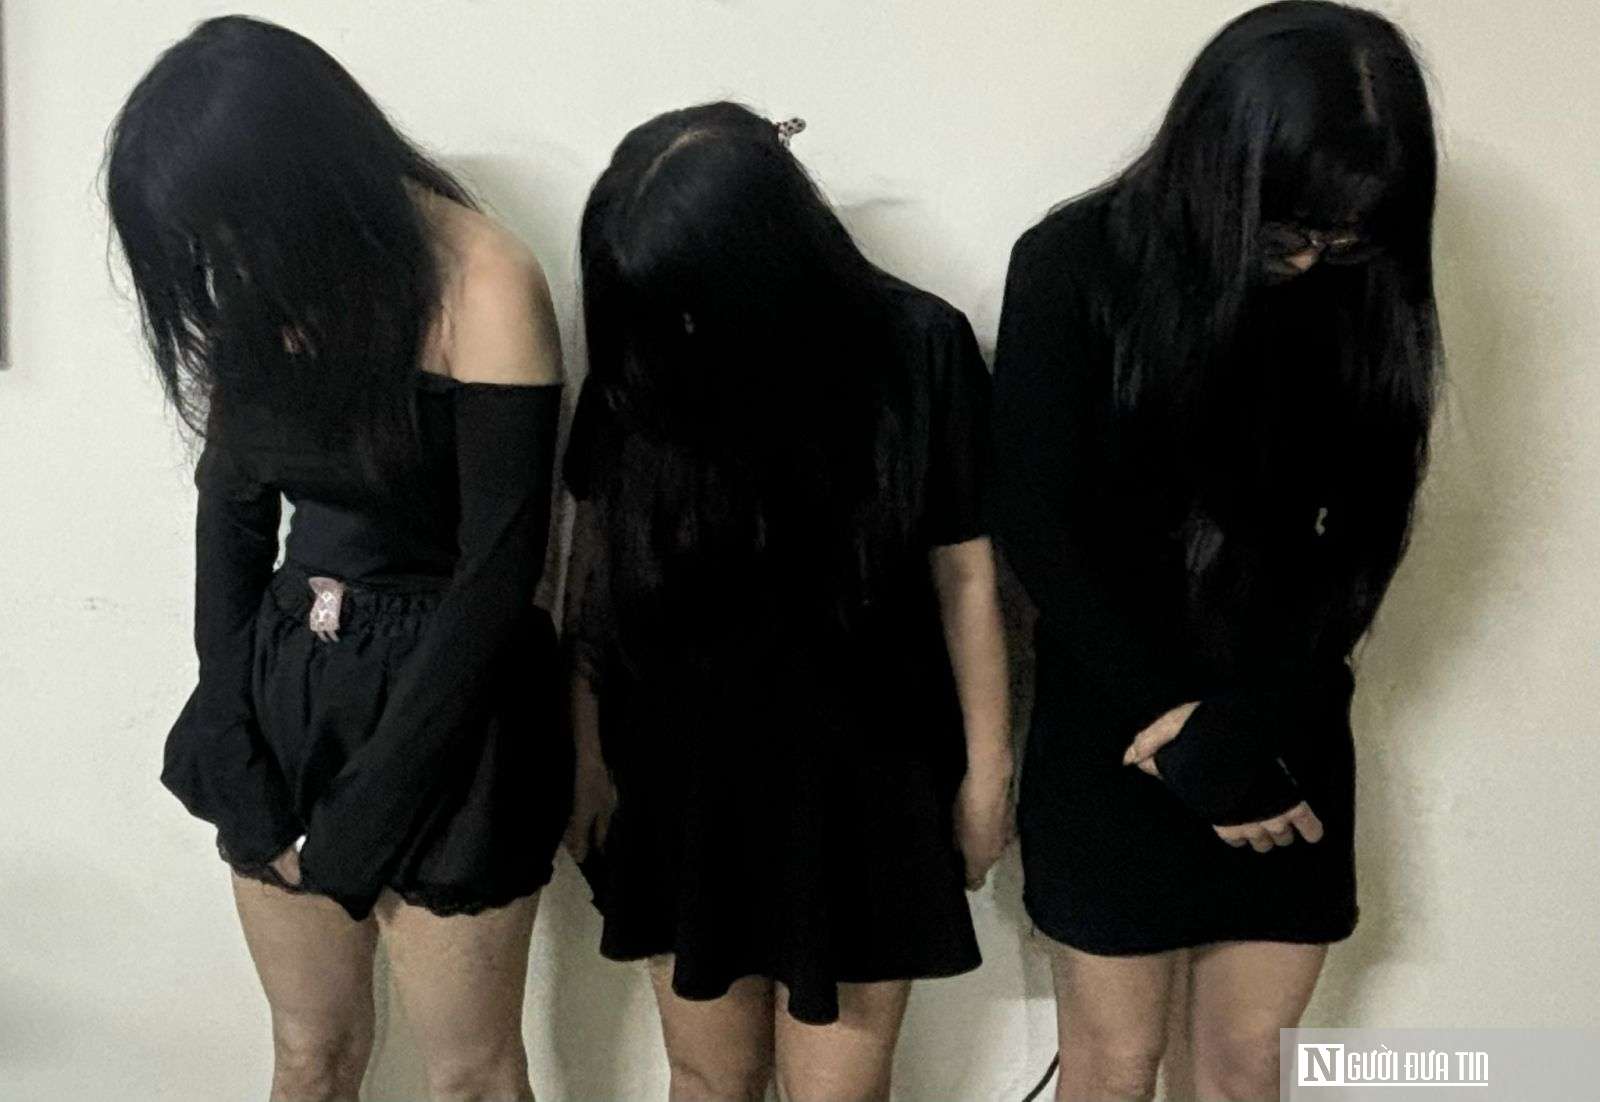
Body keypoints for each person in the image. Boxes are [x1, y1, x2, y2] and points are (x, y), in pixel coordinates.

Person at [107, 17, 568, 1100]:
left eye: (230, 228)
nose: (222, 263)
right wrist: (235, 738)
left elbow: (499, 574)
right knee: (309, 1054)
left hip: (454, 706)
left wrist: (370, 810)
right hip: (291, 682)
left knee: (471, 1076)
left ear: (302, 173)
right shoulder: (261, 274)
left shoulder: (486, 279)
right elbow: (230, 521)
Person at [993, 4, 1441, 1099]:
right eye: (1289, 231)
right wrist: (1182, 734)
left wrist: (1250, 724)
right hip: (1114, 723)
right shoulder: (1072, 262)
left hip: (1282, 713)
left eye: (1346, 235)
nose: (1315, 257)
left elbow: (1364, 531)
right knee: (1112, 1068)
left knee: (1247, 1068)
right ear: (1217, 164)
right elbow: (1036, 521)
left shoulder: (1358, 286)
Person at [562, 102, 1012, 1102]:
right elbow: (594, 571)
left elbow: (965, 573)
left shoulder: (920, 345)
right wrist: (584, 748)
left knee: (838, 1090)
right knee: (706, 1078)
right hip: (680, 764)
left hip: (867, 771)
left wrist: (989, 772)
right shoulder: (643, 351)